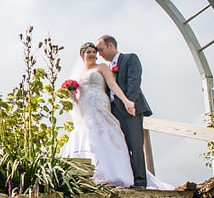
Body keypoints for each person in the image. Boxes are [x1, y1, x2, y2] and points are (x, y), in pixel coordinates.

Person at [63, 41, 171, 189]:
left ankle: (114, 175)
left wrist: (127, 101)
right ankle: (89, 175)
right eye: (89, 52)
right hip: (85, 108)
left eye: (95, 52)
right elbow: (77, 98)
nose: (93, 54)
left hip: (100, 105)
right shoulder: (79, 74)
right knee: (88, 137)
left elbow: (113, 85)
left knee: (105, 136)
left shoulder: (102, 67)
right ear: (82, 55)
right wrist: (71, 94)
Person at [96, 34, 152, 188]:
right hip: (113, 112)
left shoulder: (129, 59)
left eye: (101, 50)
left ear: (111, 46)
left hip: (130, 109)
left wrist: (130, 103)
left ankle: (140, 181)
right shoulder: (105, 68)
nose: (99, 54)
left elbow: (134, 81)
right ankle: (127, 178)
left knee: (135, 144)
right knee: (121, 146)